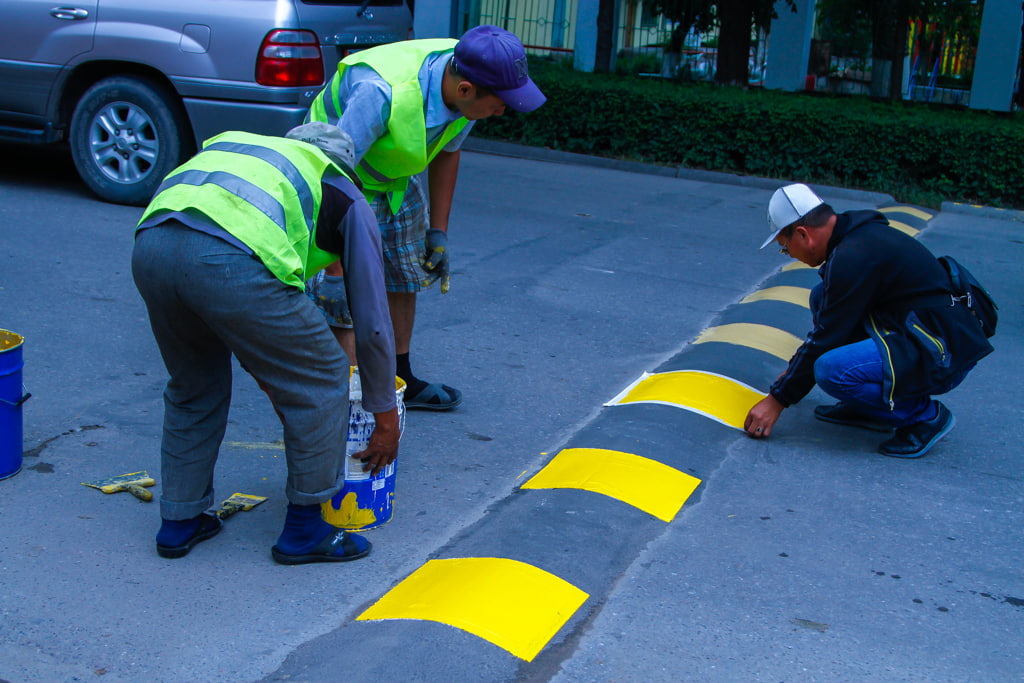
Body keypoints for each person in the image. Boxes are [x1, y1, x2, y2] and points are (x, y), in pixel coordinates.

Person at [131, 122, 400, 564]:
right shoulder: (343, 191)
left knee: (193, 386)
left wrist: (275, 377)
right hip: (228, 260)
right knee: (325, 375)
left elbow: (251, 335)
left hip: (152, 243)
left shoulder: (250, 152)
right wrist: (385, 419)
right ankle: (304, 531)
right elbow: (371, 323)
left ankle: (179, 521)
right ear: (346, 168)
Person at [304, 24, 546, 410]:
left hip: (394, 175)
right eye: (500, 103)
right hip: (336, 176)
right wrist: (334, 267)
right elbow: (330, 174)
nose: (504, 111)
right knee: (344, 293)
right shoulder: (381, 93)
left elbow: (448, 152)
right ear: (465, 90)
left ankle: (399, 378)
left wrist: (439, 230)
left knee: (405, 273)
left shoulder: (470, 69)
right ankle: (347, 401)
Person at [744, 184, 993, 458]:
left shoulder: (853, 257)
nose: (789, 253)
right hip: (926, 332)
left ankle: (925, 417)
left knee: (830, 370)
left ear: (803, 234)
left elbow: (826, 339)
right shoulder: (857, 235)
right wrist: (793, 375)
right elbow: (834, 322)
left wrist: (777, 399)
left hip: (940, 353)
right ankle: (870, 408)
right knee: (821, 297)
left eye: (784, 246)